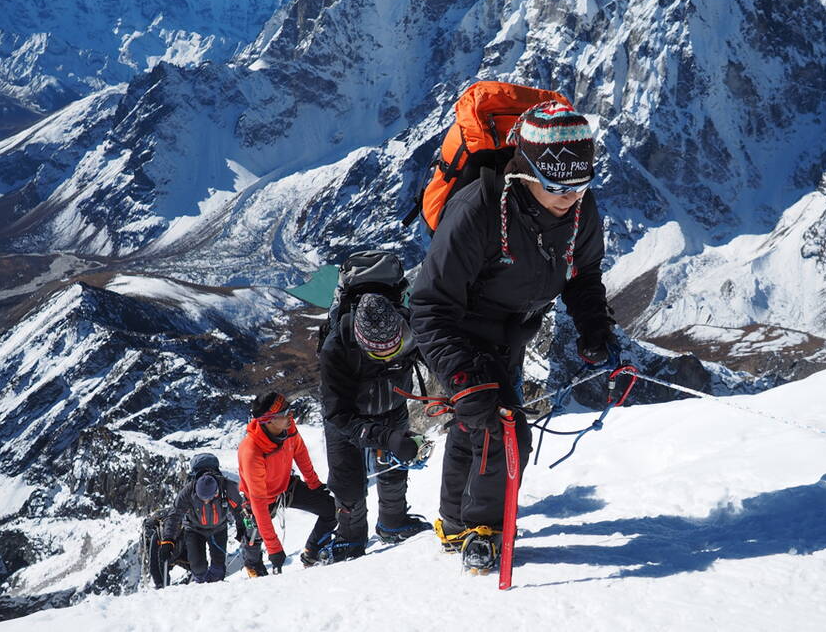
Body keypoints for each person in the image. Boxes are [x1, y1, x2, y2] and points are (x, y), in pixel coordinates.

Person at [410, 100, 618, 572]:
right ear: (525, 174)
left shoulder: (580, 209)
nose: (570, 197)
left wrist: (594, 329)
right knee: (502, 426)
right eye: (556, 186)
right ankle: (485, 531)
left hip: (512, 331)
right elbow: (429, 304)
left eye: (580, 185)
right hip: (458, 328)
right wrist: (462, 376)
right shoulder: (479, 208)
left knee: (474, 423)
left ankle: (454, 522)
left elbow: (583, 274)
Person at [318, 291, 432, 561]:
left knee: (394, 468)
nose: (389, 358)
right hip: (347, 418)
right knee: (348, 482)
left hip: (392, 407)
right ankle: (350, 539)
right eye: (379, 354)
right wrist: (388, 439)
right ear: (361, 341)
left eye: (395, 349)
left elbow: (435, 358)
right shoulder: (336, 349)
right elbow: (337, 415)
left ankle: (393, 522)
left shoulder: (410, 328)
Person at [237, 391, 337, 576]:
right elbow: (258, 501)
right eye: (284, 414)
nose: (290, 416)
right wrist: (274, 548)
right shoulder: (251, 450)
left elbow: (300, 452)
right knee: (253, 538)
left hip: (285, 486)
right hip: (260, 499)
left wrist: (314, 484)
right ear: (268, 420)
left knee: (331, 509)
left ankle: (312, 552)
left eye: (289, 411)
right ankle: (254, 567)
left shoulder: (288, 429)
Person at [159, 460, 246, 583]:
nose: (206, 501)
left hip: (218, 530)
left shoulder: (226, 488)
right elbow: (175, 515)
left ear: (216, 490)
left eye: (209, 498)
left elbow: (239, 509)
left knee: (218, 568)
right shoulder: (188, 491)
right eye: (202, 498)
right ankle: (200, 588)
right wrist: (168, 540)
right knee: (198, 568)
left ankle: (216, 590)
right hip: (194, 530)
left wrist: (241, 527)